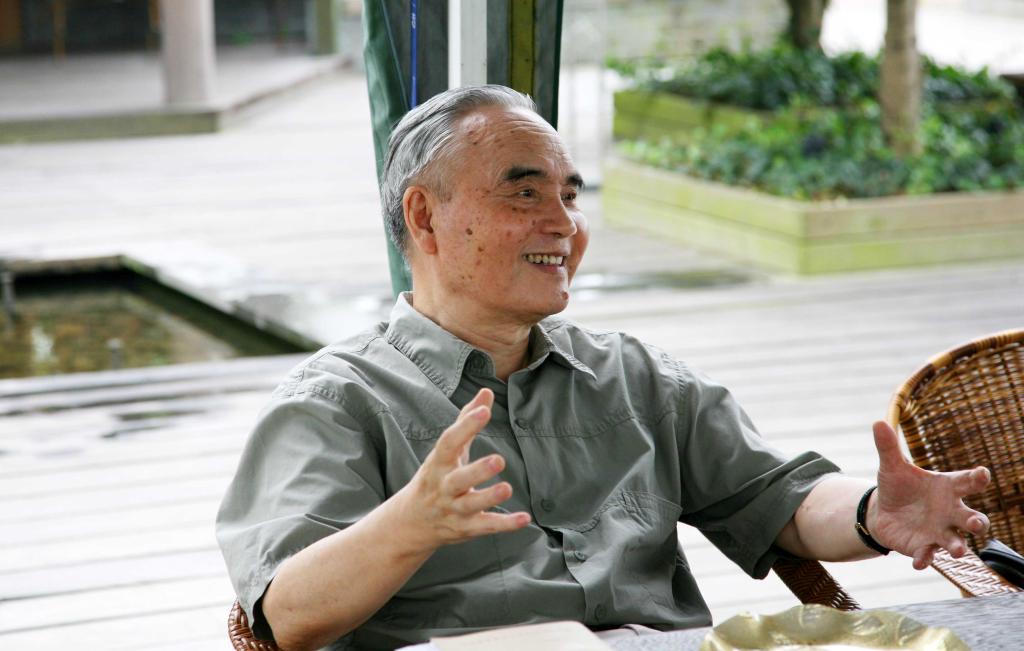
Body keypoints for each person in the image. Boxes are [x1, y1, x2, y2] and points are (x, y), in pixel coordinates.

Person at [215, 85, 992, 651]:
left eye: (569, 195)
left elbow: (775, 497)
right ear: (425, 216)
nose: (564, 224)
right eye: (525, 192)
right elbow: (284, 615)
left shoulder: (633, 374)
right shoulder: (336, 402)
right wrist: (410, 524)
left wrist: (871, 511)